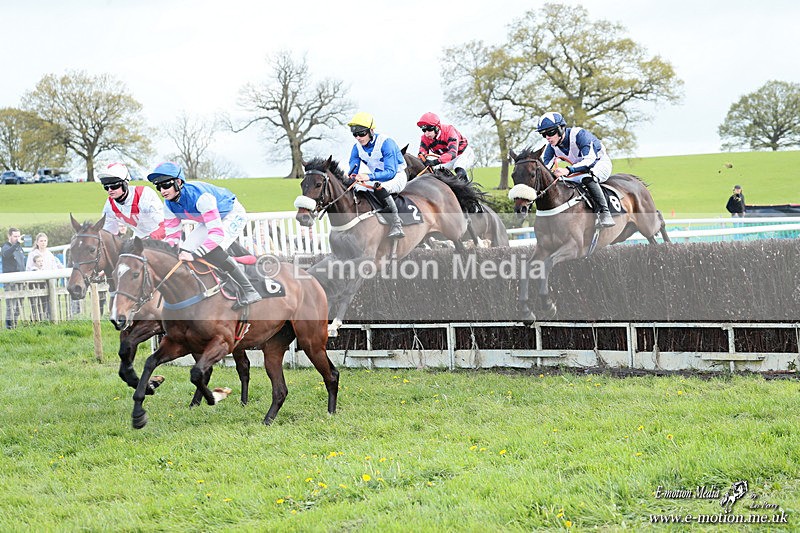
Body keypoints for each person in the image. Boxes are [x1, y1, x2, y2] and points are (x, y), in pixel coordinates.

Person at [146, 162, 261, 310]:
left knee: (213, 249)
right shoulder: (168, 205)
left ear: (178, 182)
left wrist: (194, 255)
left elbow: (217, 235)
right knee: (184, 250)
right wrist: (167, 254)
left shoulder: (201, 197)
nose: (162, 191)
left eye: (166, 185)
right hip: (208, 221)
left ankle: (249, 290)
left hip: (232, 214)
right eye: (159, 187)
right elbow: (172, 237)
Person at [537, 111, 615, 228]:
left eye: (550, 132)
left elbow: (589, 160)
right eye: (544, 134)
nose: (548, 137)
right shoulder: (551, 147)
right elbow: (545, 168)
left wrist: (568, 170)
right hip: (578, 169)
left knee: (587, 177)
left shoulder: (580, 135)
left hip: (599, 164)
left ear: (561, 128)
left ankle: (605, 213)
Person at [347, 112, 408, 239]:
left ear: (371, 131)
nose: (358, 137)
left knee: (381, 187)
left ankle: (396, 224)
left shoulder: (386, 143)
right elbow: (353, 169)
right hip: (376, 178)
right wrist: (352, 177)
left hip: (396, 176)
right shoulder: (356, 148)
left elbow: (390, 172)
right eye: (355, 134)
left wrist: (368, 177)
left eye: (361, 133)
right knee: (357, 188)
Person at [99, 162, 166, 239]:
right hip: (138, 239)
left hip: (164, 237)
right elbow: (109, 234)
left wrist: (150, 239)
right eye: (106, 187)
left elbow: (166, 225)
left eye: (114, 186)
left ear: (125, 184)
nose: (110, 190)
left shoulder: (144, 194)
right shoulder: (109, 205)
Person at [416, 112, 475, 182]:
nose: (426, 133)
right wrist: (422, 158)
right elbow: (422, 154)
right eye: (424, 130)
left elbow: (452, 153)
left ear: (437, 128)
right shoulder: (424, 138)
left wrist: (435, 162)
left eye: (429, 129)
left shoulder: (449, 130)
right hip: (447, 159)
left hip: (463, 153)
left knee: (458, 167)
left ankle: (469, 191)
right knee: (437, 172)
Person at [25, 232, 63, 321]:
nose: (43, 243)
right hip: (35, 283)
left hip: (47, 282)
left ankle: (46, 320)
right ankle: (35, 319)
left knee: (46, 303)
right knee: (36, 304)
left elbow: (54, 267)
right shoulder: (33, 254)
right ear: (37, 242)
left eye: (45, 241)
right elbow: (28, 268)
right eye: (41, 241)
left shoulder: (49, 254)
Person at [2, 227, 25, 329]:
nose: (17, 238)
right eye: (15, 236)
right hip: (11, 282)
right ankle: (9, 328)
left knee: (19, 307)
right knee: (11, 306)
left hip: (21, 280)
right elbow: (6, 254)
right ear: (9, 236)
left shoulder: (19, 247)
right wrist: (16, 244)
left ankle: (14, 326)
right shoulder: (6, 246)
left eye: (18, 236)